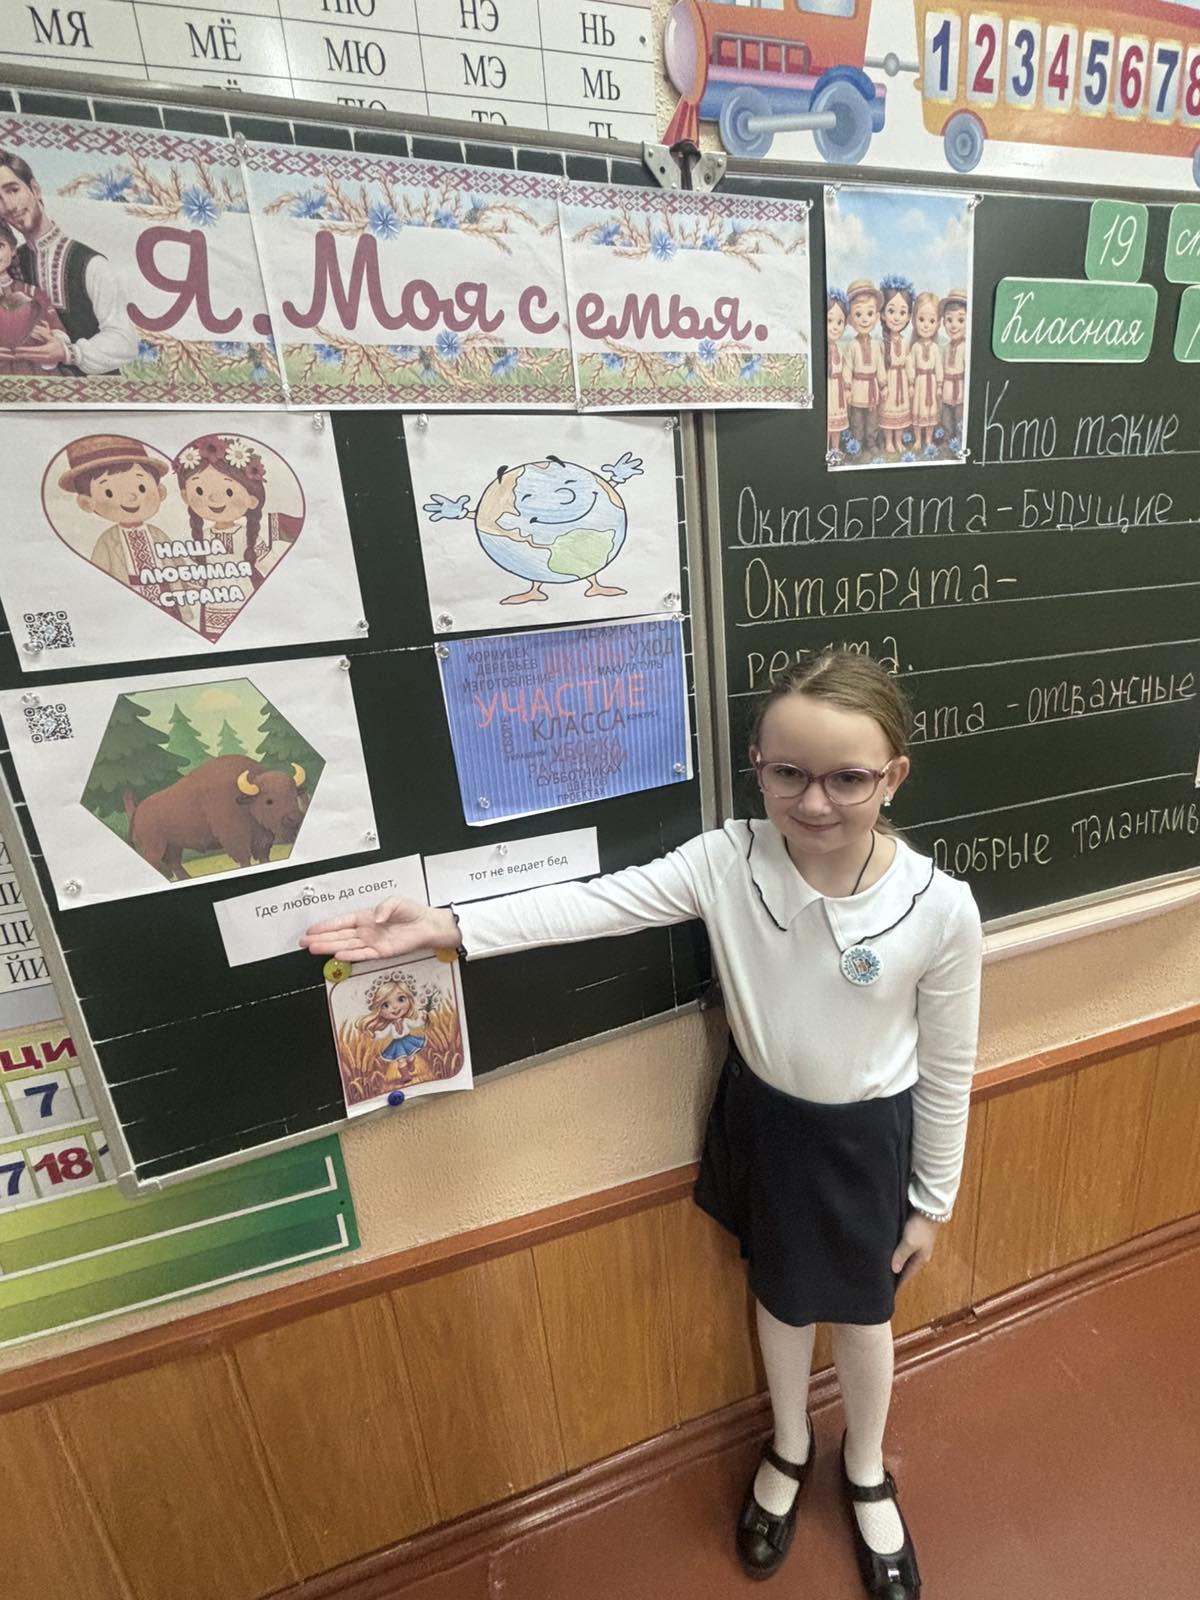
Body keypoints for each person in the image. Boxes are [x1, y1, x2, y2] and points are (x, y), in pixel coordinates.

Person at [302, 650, 983, 1600]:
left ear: (893, 776)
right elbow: (595, 905)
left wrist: (931, 1202)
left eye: (848, 779)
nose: (815, 801)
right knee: (781, 1298)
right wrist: (448, 926)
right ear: (757, 765)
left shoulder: (939, 909)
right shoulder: (726, 862)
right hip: (768, 1126)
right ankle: (788, 1447)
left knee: (867, 1315)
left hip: (868, 1141)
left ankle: (865, 1468)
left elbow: (948, 1070)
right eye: (788, 773)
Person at [0, 148, 136, 375]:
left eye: (13, 190)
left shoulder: (90, 264)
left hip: (91, 391)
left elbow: (125, 341)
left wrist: (68, 352)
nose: (9, 205)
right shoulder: (10, 264)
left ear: (35, 189)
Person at [844, 280, 886, 456]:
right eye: (858, 314)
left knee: (872, 420)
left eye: (869, 313)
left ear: (876, 317)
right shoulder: (852, 345)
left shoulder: (876, 345)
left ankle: (871, 442)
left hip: (872, 389)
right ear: (850, 319)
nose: (864, 319)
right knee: (857, 420)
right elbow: (848, 367)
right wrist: (847, 388)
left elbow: (880, 366)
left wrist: (883, 385)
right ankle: (858, 444)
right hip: (857, 389)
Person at [877, 277, 915, 457]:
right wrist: (883, 385)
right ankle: (888, 441)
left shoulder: (905, 342)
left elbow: (909, 362)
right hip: (889, 382)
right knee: (888, 412)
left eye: (902, 312)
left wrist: (911, 383)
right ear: (883, 314)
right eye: (891, 311)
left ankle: (898, 440)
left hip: (902, 382)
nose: (897, 317)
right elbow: (879, 366)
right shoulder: (881, 343)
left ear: (908, 316)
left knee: (900, 414)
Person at [364, 975, 426, 1082]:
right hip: (397, 1044)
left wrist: (422, 1019)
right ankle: (405, 1075)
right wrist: (374, 1035)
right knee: (401, 1060)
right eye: (385, 1005)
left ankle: (411, 1063)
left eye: (401, 999)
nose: (395, 1007)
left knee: (410, 1056)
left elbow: (415, 1024)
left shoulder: (405, 1020)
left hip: (408, 1040)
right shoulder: (390, 1026)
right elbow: (383, 1033)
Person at [906, 292, 944, 454]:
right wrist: (911, 383)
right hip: (920, 383)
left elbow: (939, 366)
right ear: (914, 321)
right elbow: (910, 365)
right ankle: (917, 439)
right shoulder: (915, 347)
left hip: (931, 382)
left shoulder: (935, 348)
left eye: (931, 321)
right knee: (918, 410)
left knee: (930, 412)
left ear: (938, 324)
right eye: (921, 319)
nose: (926, 325)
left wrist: (939, 385)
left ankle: (928, 439)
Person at [939, 289, 968, 447]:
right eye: (949, 320)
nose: (954, 325)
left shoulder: (966, 347)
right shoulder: (945, 347)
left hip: (961, 389)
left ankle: (959, 441)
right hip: (947, 389)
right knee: (946, 416)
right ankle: (947, 438)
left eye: (961, 320)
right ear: (944, 322)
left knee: (960, 417)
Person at [826, 289, 849, 456]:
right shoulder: (824, 350)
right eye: (829, 321)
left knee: (836, 426)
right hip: (828, 391)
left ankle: (835, 448)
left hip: (837, 391)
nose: (834, 327)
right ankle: (825, 448)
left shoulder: (839, 350)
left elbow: (844, 370)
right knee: (827, 422)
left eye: (839, 322)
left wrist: (847, 387)